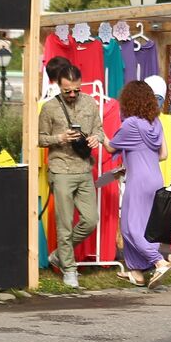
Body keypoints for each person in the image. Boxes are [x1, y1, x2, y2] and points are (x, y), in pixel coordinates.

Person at [37, 63, 104, 288]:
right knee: (64, 223)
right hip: (61, 168)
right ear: (58, 86)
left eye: (76, 90)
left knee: (90, 220)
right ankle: (69, 268)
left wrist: (97, 138)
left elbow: (100, 129)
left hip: (84, 168)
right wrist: (60, 138)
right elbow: (40, 139)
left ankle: (59, 254)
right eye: (68, 91)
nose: (73, 94)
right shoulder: (49, 108)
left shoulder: (90, 103)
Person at [109, 79, 171, 288]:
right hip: (155, 179)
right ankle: (136, 272)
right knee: (146, 227)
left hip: (138, 181)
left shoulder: (130, 124)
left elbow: (111, 147)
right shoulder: (156, 122)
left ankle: (159, 261)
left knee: (130, 227)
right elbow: (163, 154)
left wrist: (97, 135)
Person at [144, 75, 171, 186]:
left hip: (168, 184)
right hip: (146, 182)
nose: (155, 102)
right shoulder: (139, 122)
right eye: (152, 97)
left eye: (158, 99)